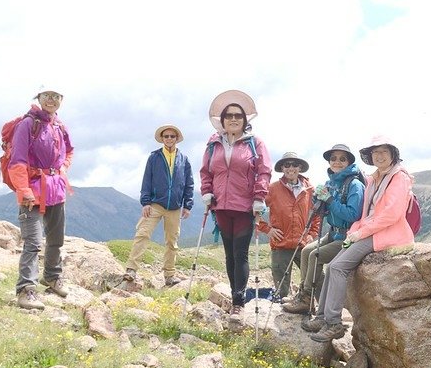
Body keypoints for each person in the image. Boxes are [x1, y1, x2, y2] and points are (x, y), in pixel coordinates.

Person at [305, 136, 414, 342]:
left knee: (338, 267)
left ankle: (334, 323)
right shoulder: (376, 178)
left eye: (384, 152)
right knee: (332, 266)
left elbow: (390, 215)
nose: (379, 156)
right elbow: (365, 213)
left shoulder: (399, 178)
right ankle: (322, 316)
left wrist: (359, 233)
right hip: (369, 230)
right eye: (375, 153)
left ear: (393, 155)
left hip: (386, 233)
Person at [200, 90, 272, 316]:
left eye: (238, 116)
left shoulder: (255, 143)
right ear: (222, 120)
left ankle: (239, 301)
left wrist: (260, 196)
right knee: (229, 254)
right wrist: (206, 192)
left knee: (240, 253)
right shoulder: (214, 144)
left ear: (244, 120)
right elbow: (206, 171)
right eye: (229, 115)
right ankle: (234, 294)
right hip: (221, 206)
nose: (233, 119)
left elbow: (264, 171)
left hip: (244, 207)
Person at [8, 84, 74, 310]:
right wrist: (23, 189)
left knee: (56, 240)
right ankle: (26, 290)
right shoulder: (28, 124)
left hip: (56, 189)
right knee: (33, 243)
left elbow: (69, 150)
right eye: (47, 95)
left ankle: (52, 278)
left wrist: (63, 169)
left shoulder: (59, 126)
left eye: (56, 96)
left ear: (61, 100)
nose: (51, 100)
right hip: (32, 192)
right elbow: (16, 161)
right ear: (39, 97)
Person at [282, 143, 364, 315]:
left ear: (349, 162)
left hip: (347, 236)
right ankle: (304, 296)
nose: (337, 162)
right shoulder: (331, 182)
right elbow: (326, 212)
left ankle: (306, 298)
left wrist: (330, 201)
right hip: (333, 233)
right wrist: (318, 202)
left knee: (315, 255)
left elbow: (353, 215)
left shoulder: (354, 184)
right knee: (306, 251)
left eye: (342, 159)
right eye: (333, 158)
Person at [123, 125, 194, 287]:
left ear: (177, 139)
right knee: (142, 233)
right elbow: (147, 179)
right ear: (162, 139)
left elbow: (189, 183)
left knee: (171, 241)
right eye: (166, 136)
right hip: (155, 204)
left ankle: (169, 275)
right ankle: (131, 270)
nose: (169, 139)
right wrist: (146, 202)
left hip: (175, 207)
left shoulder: (184, 159)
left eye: (172, 136)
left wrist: (188, 204)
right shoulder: (154, 157)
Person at [256, 152, 320, 300]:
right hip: (280, 245)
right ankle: (281, 312)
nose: (291, 168)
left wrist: (312, 234)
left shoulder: (310, 189)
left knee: (312, 279)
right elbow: (254, 211)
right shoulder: (272, 188)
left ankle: (317, 309)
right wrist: (267, 229)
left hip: (303, 244)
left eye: (294, 164)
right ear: (282, 168)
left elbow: (317, 214)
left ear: (300, 167)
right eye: (287, 165)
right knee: (281, 288)